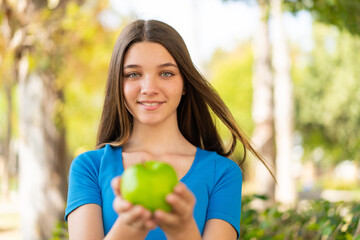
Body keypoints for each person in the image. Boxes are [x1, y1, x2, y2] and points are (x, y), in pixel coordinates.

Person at [65, 19, 272, 240]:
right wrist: (130, 227)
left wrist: (182, 229)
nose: (149, 88)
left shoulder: (222, 173)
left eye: (166, 73)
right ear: (119, 84)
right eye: (133, 74)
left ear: (184, 84)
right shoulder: (89, 168)